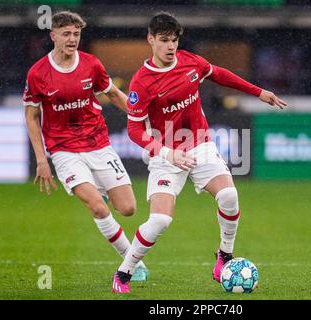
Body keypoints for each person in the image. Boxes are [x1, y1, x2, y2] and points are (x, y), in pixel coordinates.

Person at [112, 11, 287, 293]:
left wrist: (258, 92)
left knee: (229, 195)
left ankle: (224, 256)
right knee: (160, 221)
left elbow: (219, 74)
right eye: (164, 40)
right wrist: (168, 153)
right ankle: (124, 272)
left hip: (200, 144)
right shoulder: (141, 83)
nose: (171, 46)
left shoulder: (191, 62)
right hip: (166, 155)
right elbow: (134, 131)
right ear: (151, 40)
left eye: (175, 40)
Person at [23, 11, 148, 283]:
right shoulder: (38, 73)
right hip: (64, 151)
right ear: (53, 35)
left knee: (127, 209)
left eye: (76, 34)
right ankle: (131, 263)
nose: (72, 39)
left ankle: (95, 188)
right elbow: (32, 116)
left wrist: (143, 119)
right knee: (99, 208)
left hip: (98, 144)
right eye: (66, 34)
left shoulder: (91, 65)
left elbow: (113, 94)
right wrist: (42, 159)